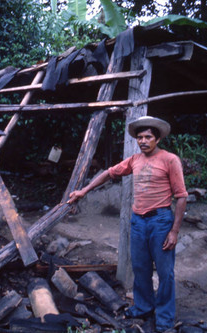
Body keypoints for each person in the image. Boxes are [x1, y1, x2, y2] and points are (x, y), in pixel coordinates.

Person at [67, 116, 188, 333]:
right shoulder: (135, 160)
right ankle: (143, 307)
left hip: (160, 221)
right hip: (138, 221)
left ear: (157, 139)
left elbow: (181, 197)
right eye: (140, 137)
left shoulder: (170, 160)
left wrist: (174, 231)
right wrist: (83, 191)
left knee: (165, 271)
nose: (143, 141)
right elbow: (108, 173)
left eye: (148, 137)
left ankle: (165, 317)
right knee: (140, 267)